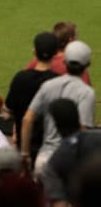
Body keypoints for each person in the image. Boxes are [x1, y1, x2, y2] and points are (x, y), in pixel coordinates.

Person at [21, 40, 95, 179]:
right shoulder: (86, 92)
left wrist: (25, 154)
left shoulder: (48, 85)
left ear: (64, 61)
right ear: (87, 65)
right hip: (69, 161)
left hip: (44, 160)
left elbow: (27, 119)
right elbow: (83, 131)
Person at [5, 32, 59, 162]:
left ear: (34, 51)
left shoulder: (20, 78)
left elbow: (8, 109)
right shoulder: (59, 82)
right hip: (50, 149)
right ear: (56, 53)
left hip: (24, 146)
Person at [25, 21, 90, 85]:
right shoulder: (75, 64)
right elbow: (86, 90)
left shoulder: (40, 60)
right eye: (76, 37)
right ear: (71, 40)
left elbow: (25, 78)